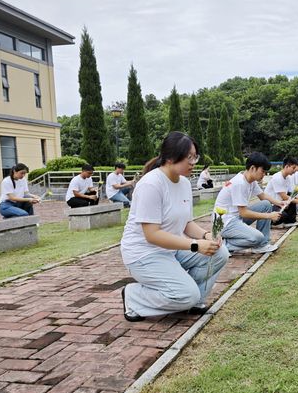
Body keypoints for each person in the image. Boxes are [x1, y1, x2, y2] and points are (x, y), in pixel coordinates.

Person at [120, 131, 230, 321]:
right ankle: (134, 296)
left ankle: (191, 299)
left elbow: (186, 223)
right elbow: (152, 235)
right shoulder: (151, 184)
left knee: (219, 253)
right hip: (144, 254)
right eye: (189, 157)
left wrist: (206, 236)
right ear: (171, 158)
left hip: (171, 250)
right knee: (186, 295)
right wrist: (195, 245)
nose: (193, 163)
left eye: (195, 157)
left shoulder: (184, 183)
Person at [215, 152, 285, 255]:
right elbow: (243, 213)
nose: (264, 174)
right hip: (225, 223)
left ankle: (262, 245)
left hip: (236, 218)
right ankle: (225, 244)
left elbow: (263, 196)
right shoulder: (239, 183)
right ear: (252, 168)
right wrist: (269, 216)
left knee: (265, 204)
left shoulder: (251, 181)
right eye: (262, 171)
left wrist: (280, 203)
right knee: (257, 237)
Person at [264, 156, 298, 226]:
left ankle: (290, 222)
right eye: (293, 168)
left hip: (281, 203)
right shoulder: (277, 178)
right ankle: (269, 222)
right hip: (272, 205)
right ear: (286, 166)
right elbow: (284, 196)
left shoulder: (288, 177)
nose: (295, 170)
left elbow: (293, 193)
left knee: (291, 198)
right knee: (283, 215)